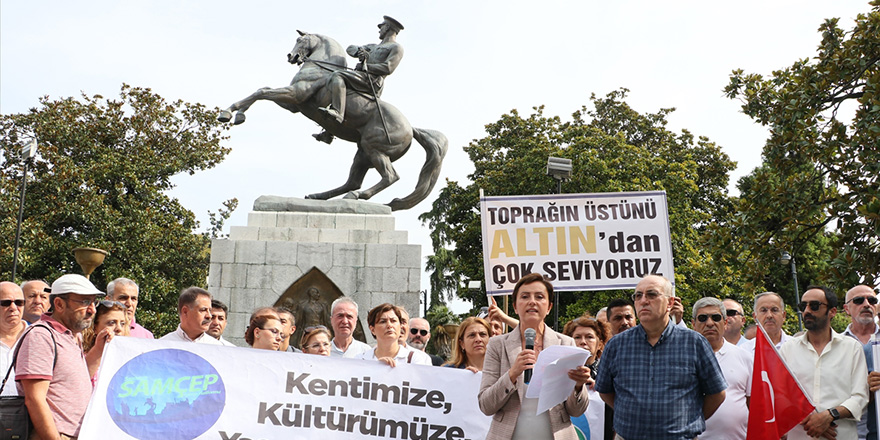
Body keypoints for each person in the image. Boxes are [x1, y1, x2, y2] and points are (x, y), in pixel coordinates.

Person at [596, 275, 727, 440]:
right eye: (638, 296)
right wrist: (629, 413)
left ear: (670, 303)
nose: (643, 301)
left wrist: (686, 420)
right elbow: (605, 390)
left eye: (651, 295)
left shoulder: (694, 343)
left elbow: (717, 393)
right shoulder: (616, 345)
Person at [478, 273, 590, 439]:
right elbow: (486, 405)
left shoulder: (566, 343)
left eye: (539, 297)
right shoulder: (497, 345)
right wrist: (512, 374)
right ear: (515, 307)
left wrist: (579, 387)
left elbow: (576, 410)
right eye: (525, 296)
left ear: (549, 307)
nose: (532, 301)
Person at [16, 274, 107, 440]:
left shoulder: (72, 335)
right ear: (58, 304)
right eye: (85, 302)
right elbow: (34, 399)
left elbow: (78, 379)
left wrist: (99, 348)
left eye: (94, 302)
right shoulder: (41, 336)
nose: (92, 309)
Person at [779, 286, 868, 440]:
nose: (807, 311)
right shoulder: (788, 349)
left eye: (814, 306)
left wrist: (829, 415)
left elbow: (861, 397)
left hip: (840, 435)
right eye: (803, 306)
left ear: (832, 311)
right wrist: (812, 422)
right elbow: (779, 394)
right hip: (801, 435)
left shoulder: (852, 348)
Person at [320, 16, 405, 124]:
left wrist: (365, 67)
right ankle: (329, 132)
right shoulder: (373, 47)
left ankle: (338, 113)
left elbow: (388, 68)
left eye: (381, 26)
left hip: (372, 81)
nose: (379, 29)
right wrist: (360, 52)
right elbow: (350, 48)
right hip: (361, 77)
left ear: (387, 27)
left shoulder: (396, 48)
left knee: (338, 75)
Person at [691, 297, 751, 440]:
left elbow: (753, 404)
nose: (709, 323)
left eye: (716, 317)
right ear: (693, 324)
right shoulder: (682, 358)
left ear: (724, 323)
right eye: (703, 318)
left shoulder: (745, 357)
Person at [563, 315, 611, 440]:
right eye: (577, 337)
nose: (583, 342)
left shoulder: (610, 374)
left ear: (600, 344)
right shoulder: (559, 373)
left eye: (589, 337)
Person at [843, 285, 880, 440]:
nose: (866, 304)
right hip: (851, 430)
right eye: (858, 300)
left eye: (872, 300)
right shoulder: (836, 344)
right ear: (846, 309)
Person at [356, 303, 431, 366]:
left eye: (393, 321)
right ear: (372, 329)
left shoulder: (415, 359)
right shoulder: (360, 359)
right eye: (383, 321)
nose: (389, 325)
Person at [1, 281, 27, 397]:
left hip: (30, 412)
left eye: (19, 303)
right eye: (6, 303)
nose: (13, 308)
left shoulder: (39, 338)